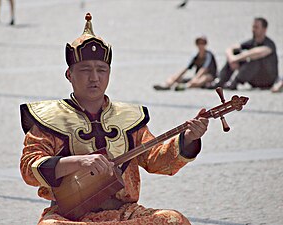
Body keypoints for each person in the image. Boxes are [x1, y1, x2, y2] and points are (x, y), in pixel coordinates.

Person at [20, 13, 209, 225]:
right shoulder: (48, 118)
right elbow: (29, 168)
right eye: (85, 70)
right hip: (70, 217)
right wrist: (78, 162)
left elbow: (157, 160)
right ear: (69, 74)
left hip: (125, 214)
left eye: (101, 70)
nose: (94, 77)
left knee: (173, 220)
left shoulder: (128, 118)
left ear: (109, 73)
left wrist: (189, 138)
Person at [209, 17, 278, 90]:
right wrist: (232, 58)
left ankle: (235, 82)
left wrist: (236, 59)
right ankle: (220, 81)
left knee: (254, 60)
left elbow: (257, 53)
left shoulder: (269, 44)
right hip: (254, 79)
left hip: (267, 80)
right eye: (253, 27)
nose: (253, 30)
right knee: (236, 52)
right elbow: (230, 49)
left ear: (264, 29)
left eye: (256, 27)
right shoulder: (252, 42)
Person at [153, 36, 217, 91]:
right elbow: (186, 68)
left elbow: (204, 69)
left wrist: (194, 79)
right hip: (198, 76)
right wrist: (175, 78)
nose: (200, 45)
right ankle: (167, 84)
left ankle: (185, 87)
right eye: (198, 43)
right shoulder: (195, 55)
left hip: (210, 76)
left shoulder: (209, 55)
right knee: (176, 78)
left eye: (202, 43)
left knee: (204, 78)